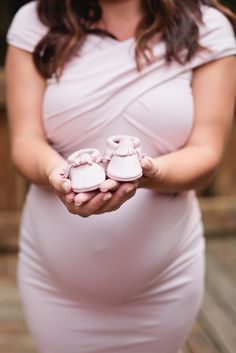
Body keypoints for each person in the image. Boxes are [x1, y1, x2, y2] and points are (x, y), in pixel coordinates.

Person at [5, 1, 236, 352]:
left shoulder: (206, 27)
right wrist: (58, 175)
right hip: (55, 288)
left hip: (164, 284)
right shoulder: (36, 20)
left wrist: (151, 173)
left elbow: (207, 152)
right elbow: (25, 141)